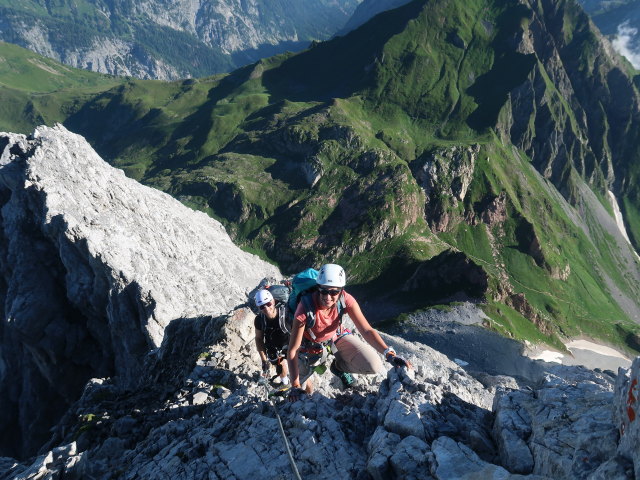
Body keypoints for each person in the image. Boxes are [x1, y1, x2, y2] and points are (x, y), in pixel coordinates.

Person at [287, 263, 411, 401]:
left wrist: (389, 354)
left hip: (335, 336)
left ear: (341, 290)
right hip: (309, 346)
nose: (328, 297)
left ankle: (338, 368)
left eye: (334, 292)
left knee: (374, 365)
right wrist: (295, 385)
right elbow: (293, 350)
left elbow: (367, 330)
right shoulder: (304, 308)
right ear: (318, 288)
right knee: (301, 393)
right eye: (324, 291)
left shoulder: (345, 300)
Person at [254, 289, 290, 385]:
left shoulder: (286, 314)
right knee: (281, 369)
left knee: (298, 368)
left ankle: (304, 391)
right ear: (259, 308)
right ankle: (285, 382)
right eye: (262, 306)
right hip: (273, 348)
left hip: (290, 344)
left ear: (273, 301)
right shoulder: (259, 320)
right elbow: (258, 339)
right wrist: (264, 360)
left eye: (268, 304)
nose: (266, 308)